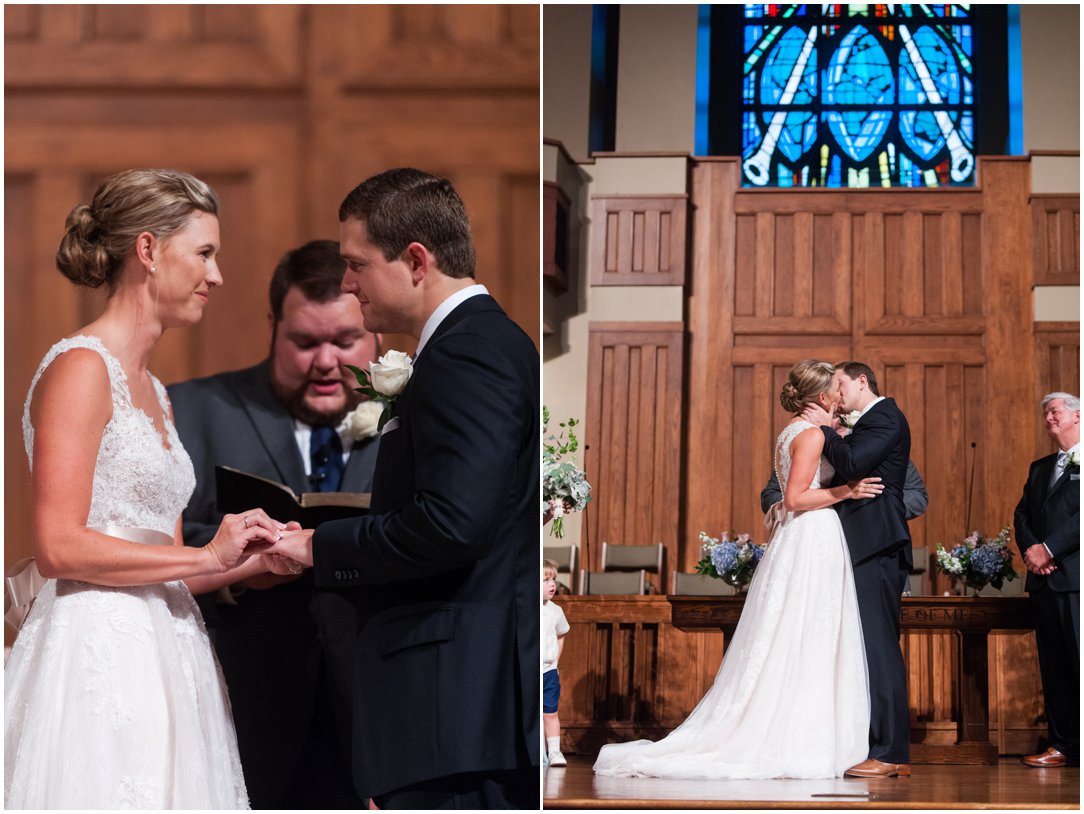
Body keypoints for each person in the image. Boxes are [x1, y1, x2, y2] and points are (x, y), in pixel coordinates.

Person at [4, 168, 296, 808]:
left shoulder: (157, 393)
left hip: (171, 652)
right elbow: (57, 546)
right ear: (146, 250)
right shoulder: (81, 369)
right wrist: (206, 554)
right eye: (204, 253)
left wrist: (246, 559)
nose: (216, 277)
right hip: (97, 650)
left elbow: (170, 567)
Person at [268, 168, 540, 808]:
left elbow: (451, 523)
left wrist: (317, 547)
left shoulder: (468, 351)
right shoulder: (471, 343)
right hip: (456, 712)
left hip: (456, 709)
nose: (347, 284)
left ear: (416, 260)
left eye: (357, 263)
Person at [593, 360, 882, 779]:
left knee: (803, 631)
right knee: (805, 633)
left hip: (802, 537)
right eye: (835, 389)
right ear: (822, 397)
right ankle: (799, 737)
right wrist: (847, 490)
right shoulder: (809, 435)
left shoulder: (794, 431)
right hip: (812, 534)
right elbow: (797, 498)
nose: (841, 395)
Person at [167, 240, 379, 808]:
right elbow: (154, 538)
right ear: (272, 325)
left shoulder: (416, 419)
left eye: (345, 340)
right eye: (305, 342)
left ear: (377, 330)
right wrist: (235, 570)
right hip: (242, 692)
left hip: (373, 704)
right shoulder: (191, 408)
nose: (326, 361)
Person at [801, 361, 913, 778]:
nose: (836, 393)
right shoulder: (866, 421)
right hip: (861, 544)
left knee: (880, 649)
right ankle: (872, 744)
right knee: (864, 648)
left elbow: (852, 463)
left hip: (879, 543)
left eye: (840, 384)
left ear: (862, 381)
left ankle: (889, 752)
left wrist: (826, 431)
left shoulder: (886, 417)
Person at [1014, 392, 1079, 769]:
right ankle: (1063, 744)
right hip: (1044, 582)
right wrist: (1032, 551)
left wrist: (1050, 549)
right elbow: (1021, 514)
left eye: (1054, 411)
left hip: (1075, 579)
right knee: (1054, 669)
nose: (1048, 418)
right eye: (1045, 414)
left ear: (1077, 415)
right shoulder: (1040, 467)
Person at [543, 559, 570, 768]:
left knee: (550, 712)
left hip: (548, 671)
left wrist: (556, 661)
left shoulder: (555, 611)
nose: (552, 584)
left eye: (553, 579)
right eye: (545, 580)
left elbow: (561, 635)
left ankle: (554, 751)